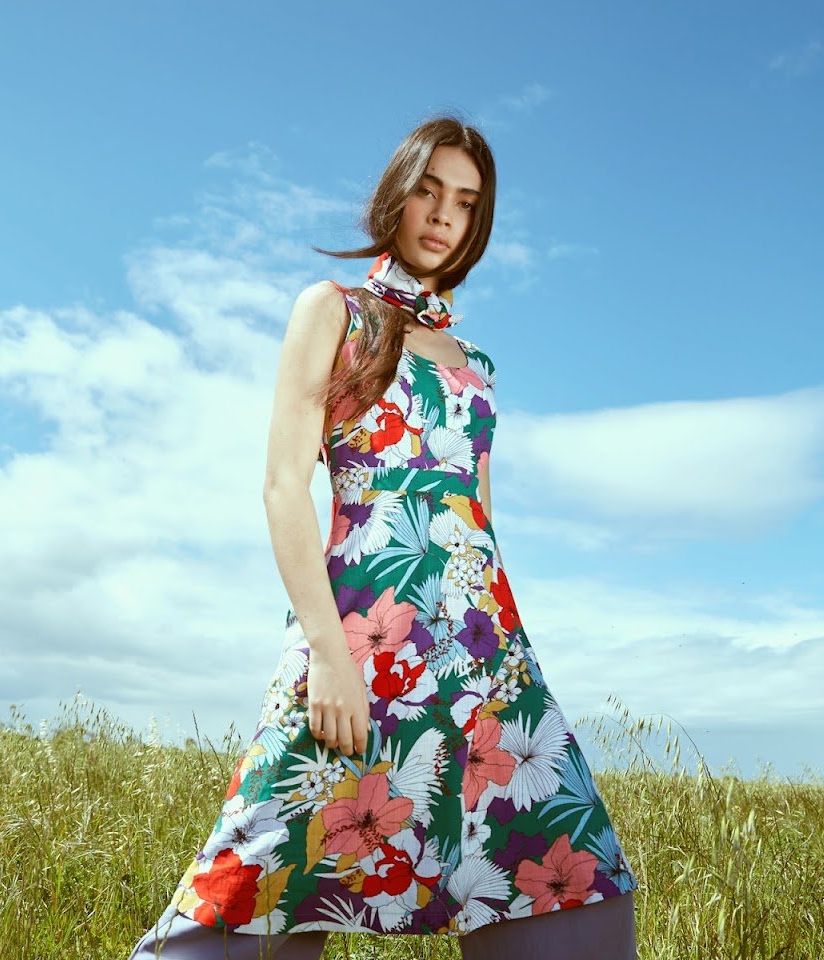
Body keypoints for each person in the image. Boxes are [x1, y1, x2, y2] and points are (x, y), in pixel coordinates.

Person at [127, 114, 639, 960]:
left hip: (481, 654)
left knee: (569, 865)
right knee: (266, 869)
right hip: (363, 640)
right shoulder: (332, 311)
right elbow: (283, 485)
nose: (444, 215)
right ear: (397, 195)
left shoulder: (478, 364)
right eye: (430, 191)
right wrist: (327, 655)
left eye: (466, 203)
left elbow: (479, 521)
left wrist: (510, 659)